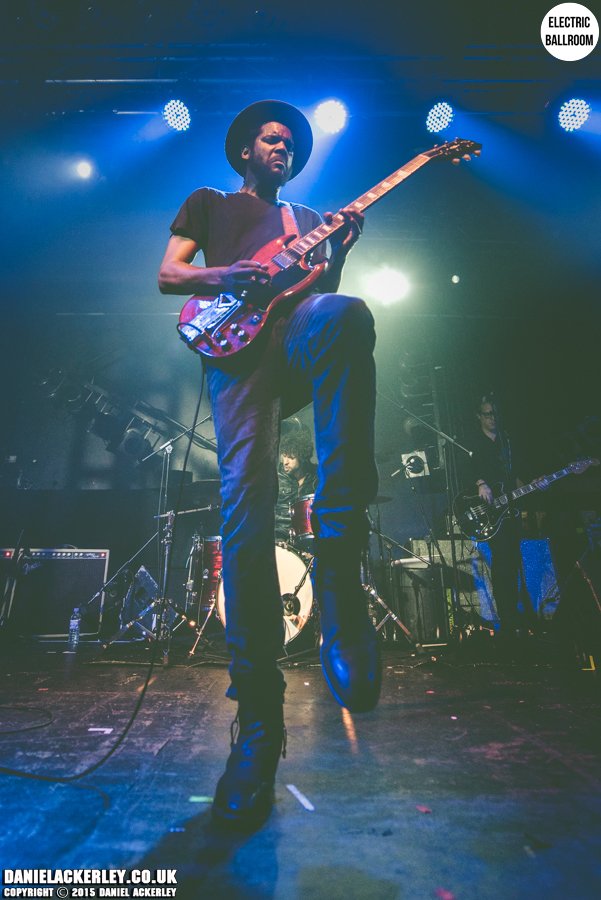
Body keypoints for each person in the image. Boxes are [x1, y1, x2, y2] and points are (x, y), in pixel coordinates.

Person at [158, 100, 380, 829]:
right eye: (271, 137)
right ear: (245, 149)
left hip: (296, 335)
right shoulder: (210, 203)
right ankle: (258, 723)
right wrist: (232, 274)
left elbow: (317, 295)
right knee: (245, 516)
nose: (282, 145)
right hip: (237, 355)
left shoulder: (305, 217)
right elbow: (169, 275)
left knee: (346, 312)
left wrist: (339, 251)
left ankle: (340, 551)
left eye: (289, 141)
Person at [469, 395, 533, 637]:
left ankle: (518, 617)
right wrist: (480, 482)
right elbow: (465, 471)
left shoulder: (506, 442)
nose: (492, 418)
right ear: (479, 416)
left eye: (495, 414)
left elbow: (514, 475)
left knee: (514, 562)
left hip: (510, 510)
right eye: (487, 414)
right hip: (489, 514)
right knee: (502, 563)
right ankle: (506, 619)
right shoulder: (473, 443)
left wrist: (529, 485)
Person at [275, 427, 318, 543]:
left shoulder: (317, 477)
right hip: (281, 539)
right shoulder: (276, 479)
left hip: (310, 538)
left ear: (302, 457)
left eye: (291, 457)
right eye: (284, 456)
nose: (285, 462)